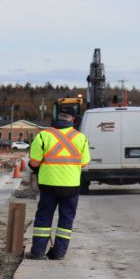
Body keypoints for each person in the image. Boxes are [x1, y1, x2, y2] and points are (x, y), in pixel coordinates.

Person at [26, 111, 90, 260]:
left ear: (56, 120)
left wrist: (37, 168)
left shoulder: (43, 136)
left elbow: (34, 162)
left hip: (48, 185)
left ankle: (38, 252)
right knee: (66, 219)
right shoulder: (81, 138)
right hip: (71, 186)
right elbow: (84, 163)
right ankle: (59, 253)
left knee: (44, 217)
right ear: (72, 120)